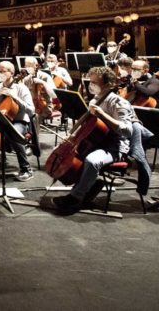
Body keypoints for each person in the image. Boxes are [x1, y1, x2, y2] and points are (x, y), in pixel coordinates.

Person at [52, 66, 133, 213]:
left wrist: (103, 114)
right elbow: (88, 125)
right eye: (90, 81)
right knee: (63, 152)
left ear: (108, 84)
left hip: (114, 145)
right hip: (95, 141)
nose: (91, 84)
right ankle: (89, 185)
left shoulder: (119, 103)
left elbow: (127, 131)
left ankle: (76, 197)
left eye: (95, 82)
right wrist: (73, 136)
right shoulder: (95, 99)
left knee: (92, 160)